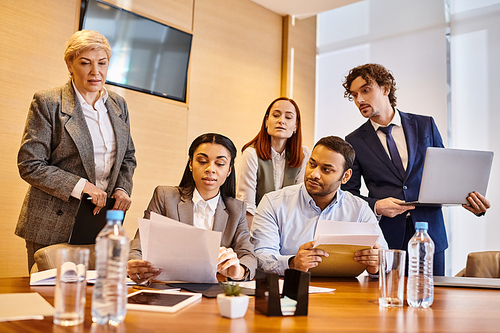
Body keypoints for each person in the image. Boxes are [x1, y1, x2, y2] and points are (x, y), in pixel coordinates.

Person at [341, 63, 491, 276]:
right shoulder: (353, 140)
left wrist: (474, 203)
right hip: (386, 240)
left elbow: (447, 177)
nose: (359, 100)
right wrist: (376, 205)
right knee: (388, 304)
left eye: (365, 90)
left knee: (434, 304)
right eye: (354, 95)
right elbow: (348, 195)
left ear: (385, 89)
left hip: (431, 235)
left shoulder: (425, 125)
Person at [15, 30, 137, 272]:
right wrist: (83, 186)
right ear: (69, 65)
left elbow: (128, 156)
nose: (96, 72)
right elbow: (30, 164)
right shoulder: (49, 102)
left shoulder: (118, 104)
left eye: (102, 63)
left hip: (100, 223)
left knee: (96, 297)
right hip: (53, 222)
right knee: (53, 300)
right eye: (85, 63)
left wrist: (122, 188)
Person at [128, 133, 257, 284]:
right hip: (167, 286)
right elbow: (140, 245)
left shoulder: (237, 209)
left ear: (229, 170)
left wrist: (238, 270)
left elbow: (248, 256)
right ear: (190, 164)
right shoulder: (165, 196)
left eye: (220, 164)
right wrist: (135, 265)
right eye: (202, 161)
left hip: (212, 290)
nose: (210, 169)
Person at [251, 136, 388, 276]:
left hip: (347, 292)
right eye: (312, 164)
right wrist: (292, 263)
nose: (314, 174)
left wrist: (377, 266)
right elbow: (261, 256)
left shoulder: (360, 209)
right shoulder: (273, 203)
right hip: (291, 290)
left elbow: (386, 256)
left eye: (326, 170)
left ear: (346, 176)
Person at [237, 97, 310, 227]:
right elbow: (247, 208)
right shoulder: (251, 154)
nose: (281, 121)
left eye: (288, 117)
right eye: (276, 115)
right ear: (266, 121)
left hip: (289, 228)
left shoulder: (303, 155)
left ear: (296, 126)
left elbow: (300, 202)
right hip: (256, 228)